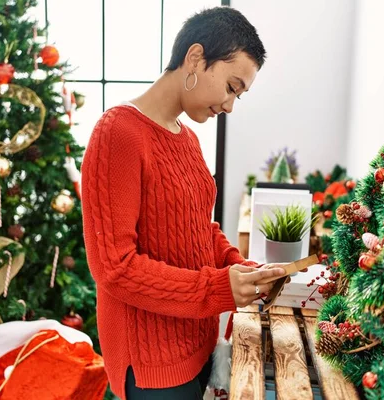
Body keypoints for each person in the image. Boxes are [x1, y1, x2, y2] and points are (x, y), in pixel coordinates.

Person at [81, 6, 285, 400]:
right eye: (231, 87)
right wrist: (217, 288)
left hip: (197, 344)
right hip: (152, 366)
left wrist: (238, 266)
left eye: (238, 95)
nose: (229, 106)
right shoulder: (118, 133)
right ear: (195, 58)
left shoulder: (187, 139)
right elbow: (114, 268)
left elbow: (198, 227)